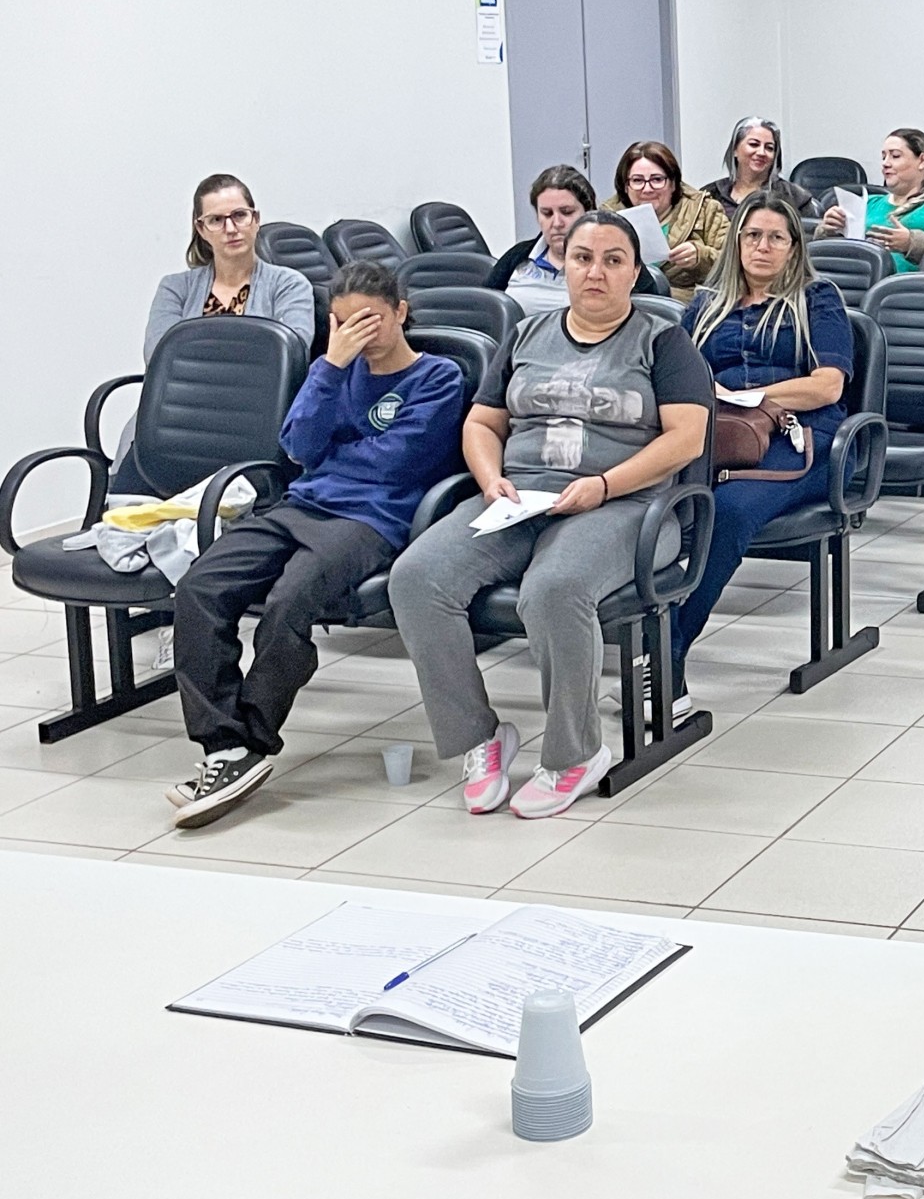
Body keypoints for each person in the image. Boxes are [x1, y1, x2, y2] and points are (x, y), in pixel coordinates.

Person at [388, 212, 711, 819]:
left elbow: (685, 440)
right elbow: (483, 423)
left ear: (635, 273)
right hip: (522, 499)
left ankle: (574, 754)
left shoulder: (664, 342)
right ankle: (478, 737)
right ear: (564, 265)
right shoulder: (526, 334)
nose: (596, 272)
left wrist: (604, 484)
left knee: (555, 588)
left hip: (629, 504)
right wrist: (491, 479)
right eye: (583, 258)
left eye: (613, 260)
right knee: (416, 578)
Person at [168, 262, 466, 828]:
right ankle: (224, 745)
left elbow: (397, 464)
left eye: (371, 320)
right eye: (346, 323)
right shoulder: (332, 369)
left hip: (372, 519)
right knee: (199, 588)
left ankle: (252, 740)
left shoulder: (439, 377)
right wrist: (330, 367)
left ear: (401, 312)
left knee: (289, 602)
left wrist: (336, 452)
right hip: (300, 505)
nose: (360, 333)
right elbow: (300, 447)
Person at [669, 194, 853, 713]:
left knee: (726, 511)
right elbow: (673, 373)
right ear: (736, 242)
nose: (762, 247)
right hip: (718, 435)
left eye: (776, 237)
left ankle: (669, 653)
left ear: (794, 247)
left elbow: (828, 386)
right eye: (752, 235)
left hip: (801, 438)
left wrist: (749, 397)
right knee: (648, 499)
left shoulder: (818, 298)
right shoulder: (707, 304)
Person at [145, 173, 315, 360]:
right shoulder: (175, 288)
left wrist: (197, 354)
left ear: (256, 219)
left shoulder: (289, 285)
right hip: (187, 381)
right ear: (201, 229)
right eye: (216, 220)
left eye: (240, 215)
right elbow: (159, 356)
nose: (231, 229)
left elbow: (291, 354)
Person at [815, 127, 924, 275]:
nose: (885, 163)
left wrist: (913, 243)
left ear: (922, 161)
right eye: (883, 157)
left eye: (895, 156)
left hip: (917, 293)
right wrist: (828, 230)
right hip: (858, 287)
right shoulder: (868, 203)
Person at [606, 140, 728, 303]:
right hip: (622, 304)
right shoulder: (607, 217)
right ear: (625, 186)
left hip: (687, 306)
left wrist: (701, 257)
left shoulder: (705, 210)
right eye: (637, 180)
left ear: (673, 184)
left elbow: (735, 265)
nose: (647, 189)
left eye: (657, 179)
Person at [486, 165, 596, 318]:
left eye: (567, 212)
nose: (557, 223)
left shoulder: (609, 260)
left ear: (588, 213)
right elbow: (484, 309)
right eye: (547, 213)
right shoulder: (518, 256)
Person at [701, 117, 814, 219]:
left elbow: (809, 232)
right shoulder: (710, 194)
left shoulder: (795, 197)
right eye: (754, 144)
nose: (761, 152)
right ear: (735, 150)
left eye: (769, 148)